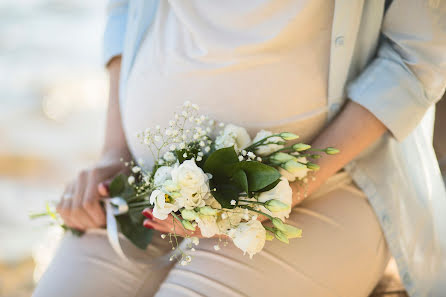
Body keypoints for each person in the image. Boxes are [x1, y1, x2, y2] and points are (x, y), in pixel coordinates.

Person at [32, 1, 446, 297]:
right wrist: (113, 153)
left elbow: (417, 53)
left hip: (324, 193)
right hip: (146, 187)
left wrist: (291, 189)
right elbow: (123, 10)